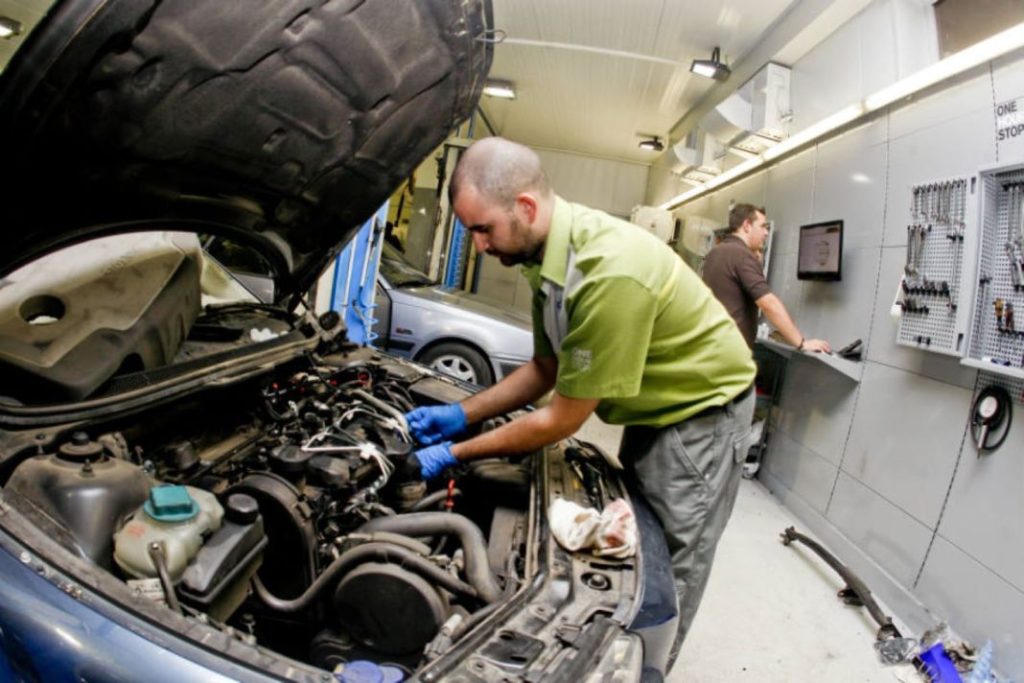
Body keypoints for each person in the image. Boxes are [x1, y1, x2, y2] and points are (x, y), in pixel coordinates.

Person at [402, 136, 757, 666]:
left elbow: (562, 418)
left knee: (662, 573)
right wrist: (462, 412)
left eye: (482, 229)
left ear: (525, 207)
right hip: (653, 408)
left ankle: (645, 669)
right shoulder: (547, 258)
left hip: (700, 417)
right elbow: (545, 370)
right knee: (637, 535)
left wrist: (456, 453)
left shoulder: (605, 271)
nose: (478, 246)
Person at [702, 203, 831, 352]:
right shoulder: (742, 255)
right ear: (747, 225)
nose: (766, 233)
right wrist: (801, 343)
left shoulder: (715, 252)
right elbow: (769, 304)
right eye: (763, 226)